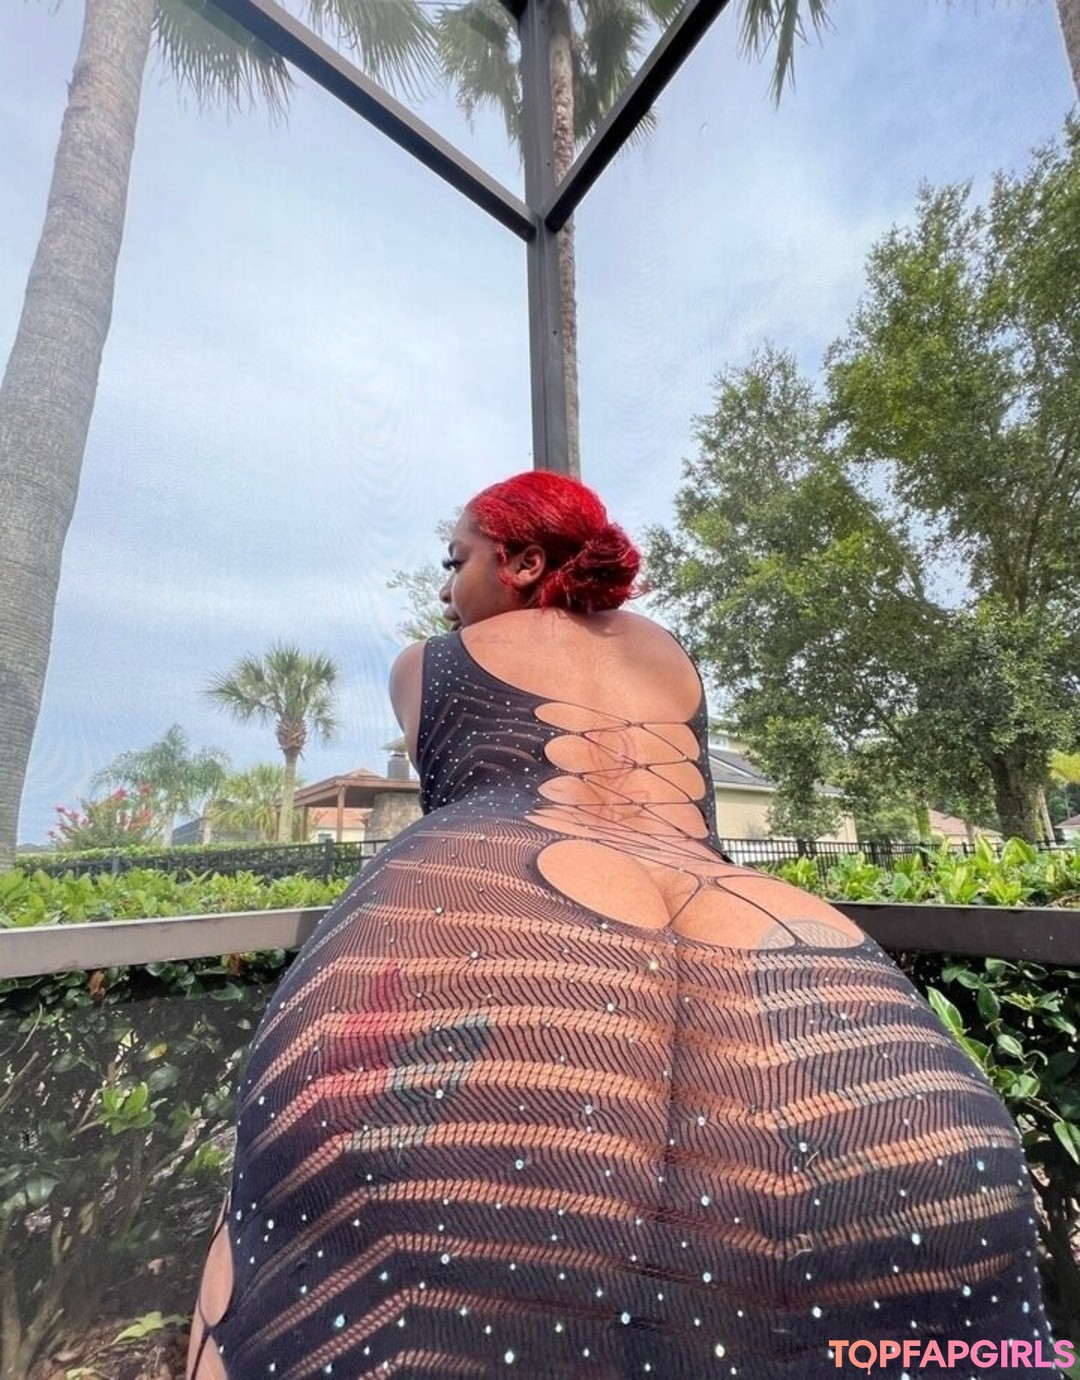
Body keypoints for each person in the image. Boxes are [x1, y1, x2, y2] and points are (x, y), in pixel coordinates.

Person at [187, 472, 1053, 1380]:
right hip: (763, 927)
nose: (446, 590)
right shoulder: (668, 653)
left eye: (457, 560)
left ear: (523, 562)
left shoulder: (425, 663)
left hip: (493, 889)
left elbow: (463, 778)